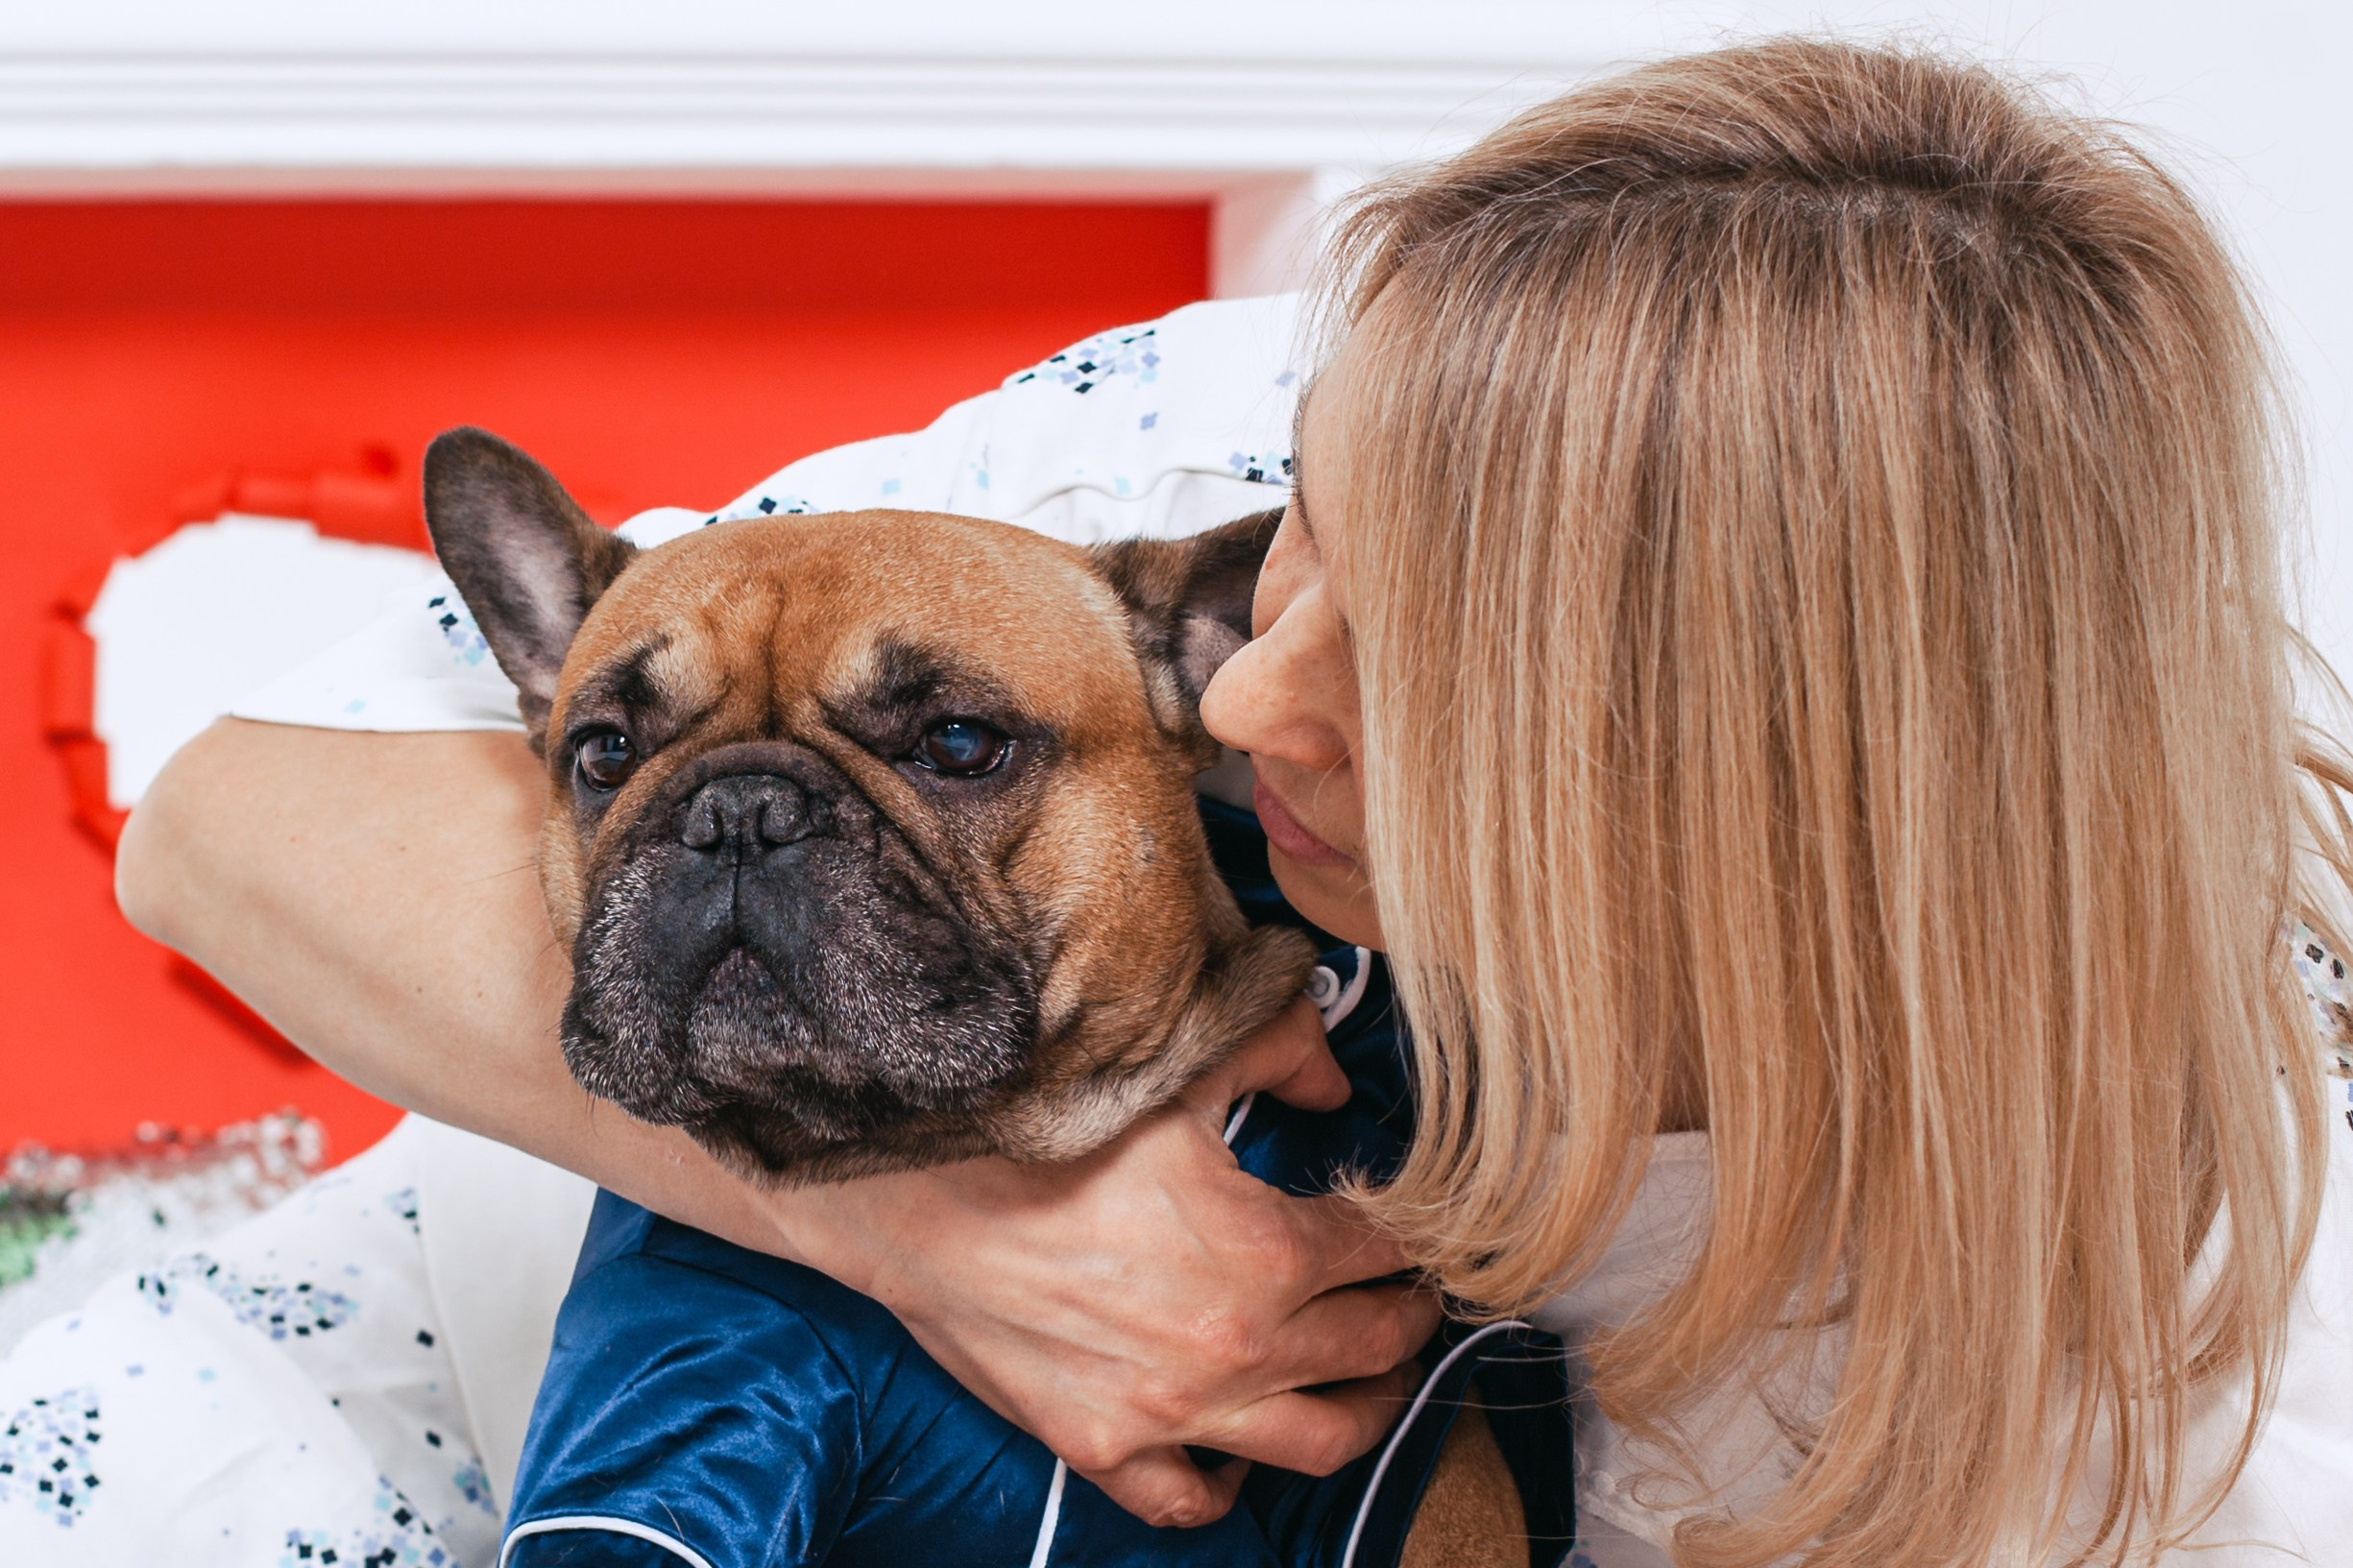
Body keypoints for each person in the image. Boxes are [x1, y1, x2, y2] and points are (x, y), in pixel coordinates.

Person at [115, 37, 2353, 1568]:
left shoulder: (2178, 1377)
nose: (1255, 681)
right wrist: (923, 1227)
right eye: (1299, 526)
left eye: (1428, 663)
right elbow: (218, 820)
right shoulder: (1138, 477)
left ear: (1775, 814)